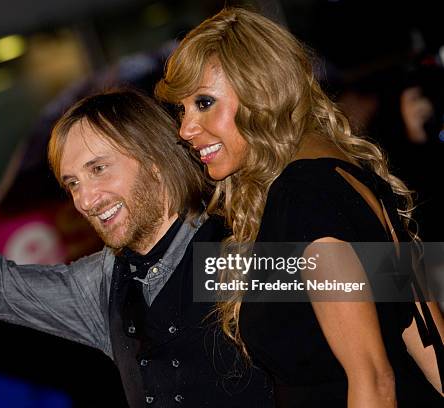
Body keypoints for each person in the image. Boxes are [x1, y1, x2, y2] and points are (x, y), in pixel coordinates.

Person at [0, 90, 273, 407]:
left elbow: (339, 292)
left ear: (156, 162)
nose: (86, 200)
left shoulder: (235, 247)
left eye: (98, 169)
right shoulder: (104, 286)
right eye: (73, 184)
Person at [155, 7, 444, 407]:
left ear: (261, 93)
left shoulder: (302, 197)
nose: (185, 130)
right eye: (182, 110)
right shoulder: (338, 175)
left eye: (204, 102)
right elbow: (425, 335)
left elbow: (374, 380)